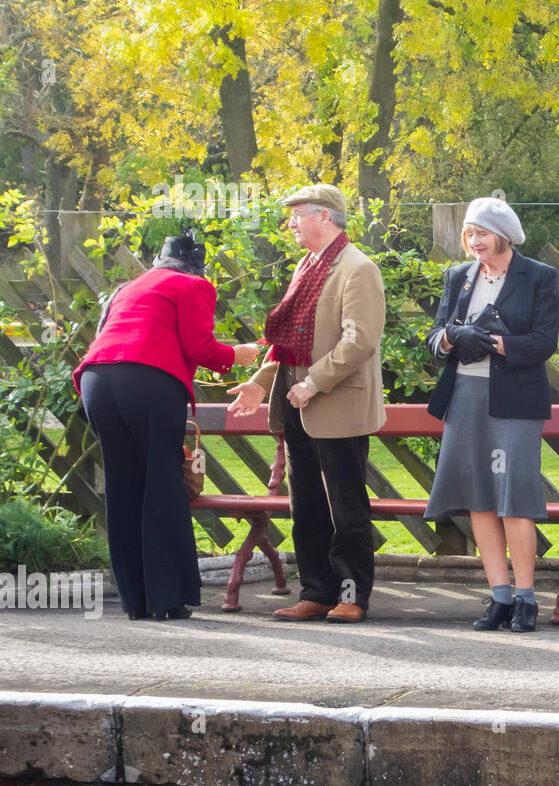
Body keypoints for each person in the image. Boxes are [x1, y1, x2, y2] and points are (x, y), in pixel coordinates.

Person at [75, 232, 261, 620]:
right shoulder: (193, 284)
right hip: (146, 383)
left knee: (124, 486)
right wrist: (237, 355)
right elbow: (199, 347)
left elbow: (106, 338)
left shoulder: (129, 287)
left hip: (96, 382)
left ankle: (137, 601)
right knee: (162, 485)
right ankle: (167, 599)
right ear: (197, 264)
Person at [227, 185, 386, 624]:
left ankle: (352, 595)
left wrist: (314, 383)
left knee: (345, 508)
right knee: (307, 506)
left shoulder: (358, 268)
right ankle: (316, 592)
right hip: (297, 406)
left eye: (298, 215)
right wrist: (260, 384)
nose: (291, 223)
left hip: (336, 405)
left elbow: (360, 341)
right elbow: (285, 343)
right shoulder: (307, 264)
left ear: (326, 217)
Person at [424, 198, 559, 632]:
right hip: (464, 395)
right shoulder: (458, 276)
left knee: (513, 496)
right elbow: (434, 335)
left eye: (482, 232)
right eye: (469, 233)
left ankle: (526, 598)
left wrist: (496, 344)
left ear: (503, 234)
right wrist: (451, 338)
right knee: (478, 495)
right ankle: (499, 596)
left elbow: (543, 342)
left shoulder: (539, 276)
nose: (474, 241)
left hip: (514, 400)